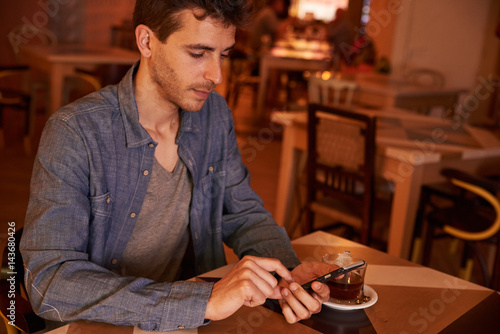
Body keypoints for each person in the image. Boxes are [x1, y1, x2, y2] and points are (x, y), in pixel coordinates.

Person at [20, 0, 335, 332]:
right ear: (146, 42)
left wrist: (289, 272)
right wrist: (201, 301)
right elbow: (49, 280)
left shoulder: (215, 115)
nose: (216, 75)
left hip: (194, 323)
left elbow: (243, 214)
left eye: (224, 54)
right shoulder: (75, 132)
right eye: (198, 54)